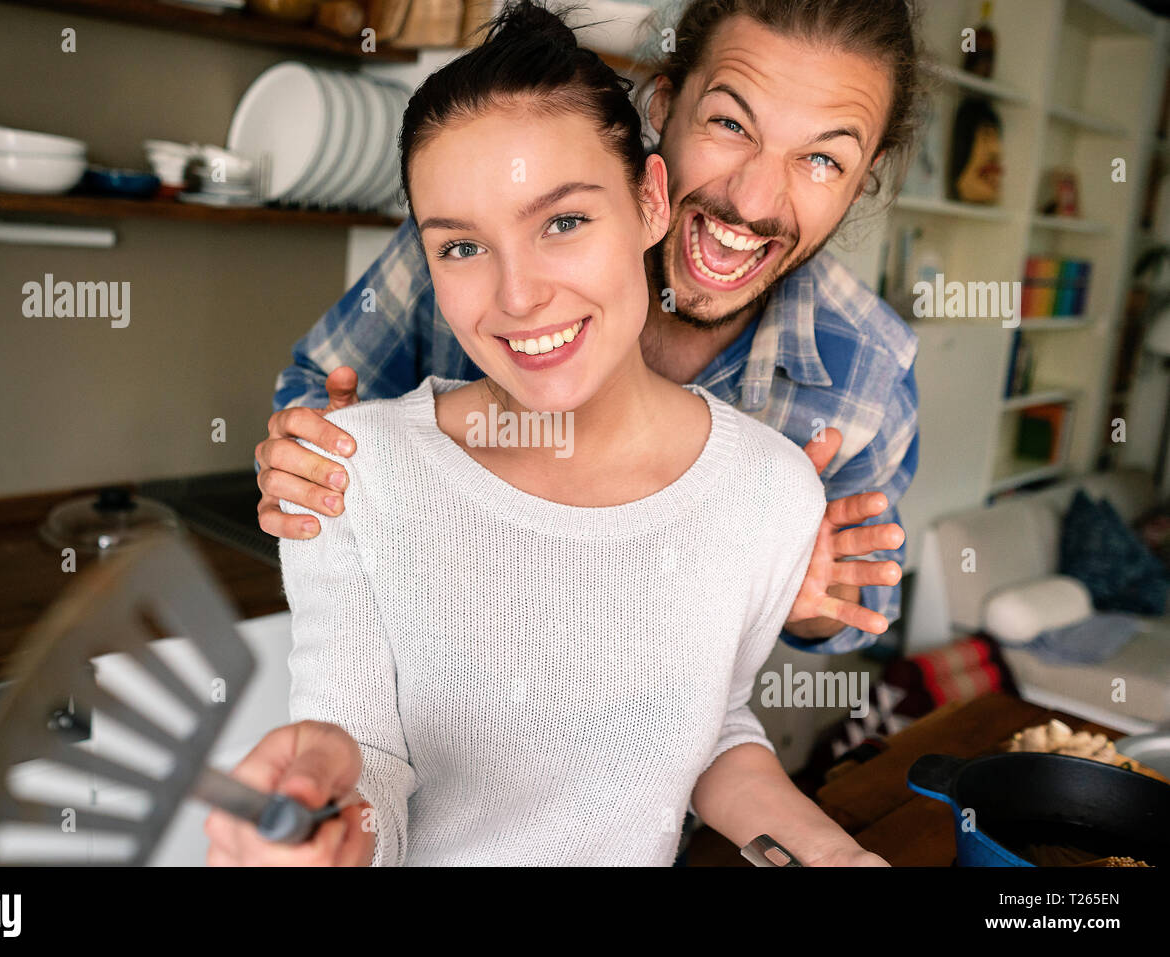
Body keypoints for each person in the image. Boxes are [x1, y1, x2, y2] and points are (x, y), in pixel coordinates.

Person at [207, 0, 888, 867]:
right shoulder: (350, 472)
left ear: (650, 202)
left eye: (563, 222)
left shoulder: (773, 489)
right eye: (460, 247)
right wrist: (331, 828)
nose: (518, 295)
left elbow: (710, 726)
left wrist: (834, 856)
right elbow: (364, 757)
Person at [256, 0, 921, 653]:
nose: (751, 201)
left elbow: (856, 602)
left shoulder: (868, 370)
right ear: (663, 106)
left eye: (823, 160)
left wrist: (806, 601)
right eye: (729, 123)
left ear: (865, 179)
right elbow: (319, 389)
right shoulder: (473, 242)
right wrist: (316, 459)